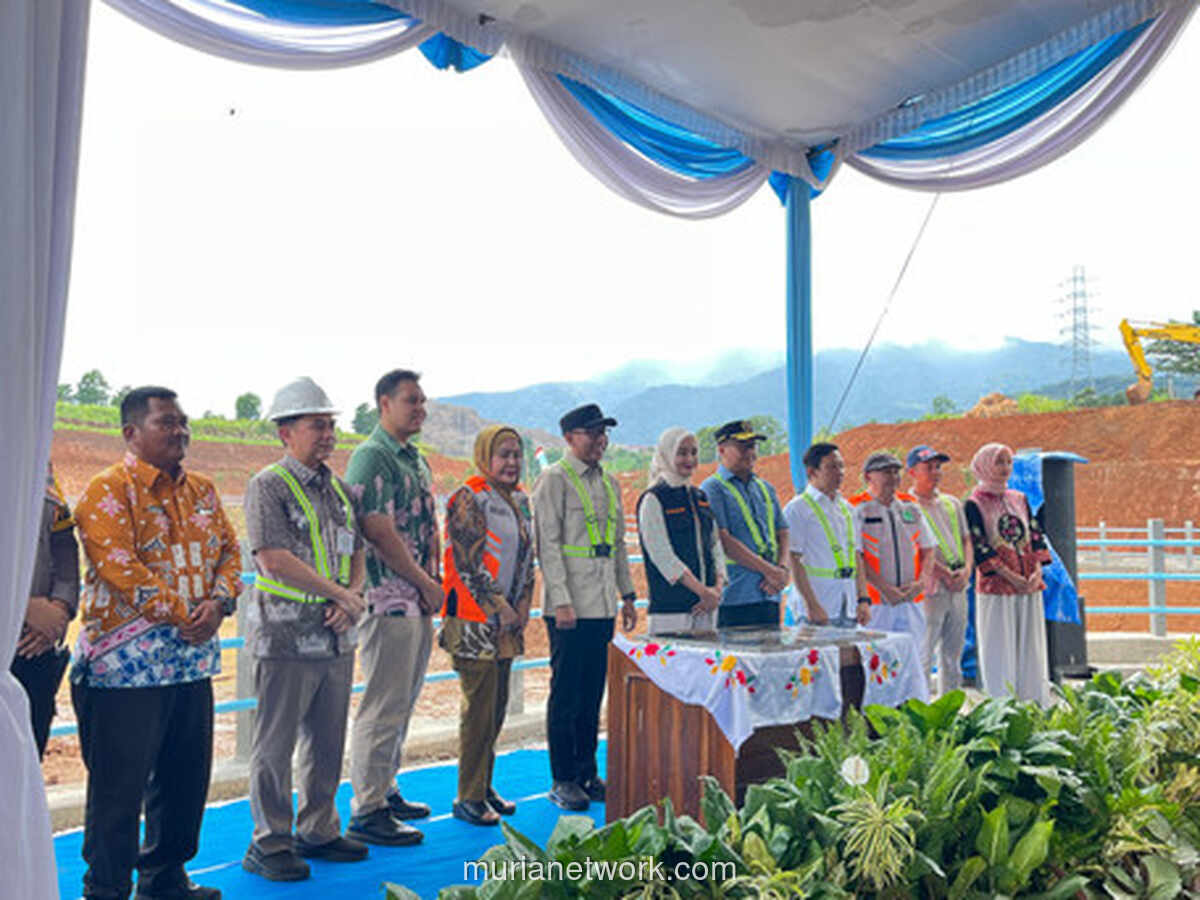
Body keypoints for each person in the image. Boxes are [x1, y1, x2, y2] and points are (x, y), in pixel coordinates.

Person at [71, 386, 241, 900]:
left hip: (191, 663)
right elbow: (120, 567)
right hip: (125, 672)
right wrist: (187, 613)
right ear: (131, 433)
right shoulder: (107, 491)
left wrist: (219, 602)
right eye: (166, 422)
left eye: (182, 421)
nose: (180, 430)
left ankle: (164, 879)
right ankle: (106, 889)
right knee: (118, 793)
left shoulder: (204, 491)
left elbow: (232, 554)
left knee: (185, 781)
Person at [242, 377, 370, 882]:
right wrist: (341, 595)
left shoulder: (337, 489)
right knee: (274, 745)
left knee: (326, 740)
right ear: (285, 432)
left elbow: (356, 550)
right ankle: (270, 841)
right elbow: (273, 561)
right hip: (286, 636)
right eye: (317, 424)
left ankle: (318, 827)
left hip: (336, 636)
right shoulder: (267, 486)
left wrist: (353, 595)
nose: (328, 433)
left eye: (331, 424)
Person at [344, 369, 439, 845]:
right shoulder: (371, 456)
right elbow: (378, 532)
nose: (419, 408)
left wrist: (427, 586)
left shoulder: (413, 459)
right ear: (384, 403)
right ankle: (367, 808)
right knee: (382, 705)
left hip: (417, 599)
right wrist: (424, 582)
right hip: (388, 600)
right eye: (410, 401)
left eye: (422, 401)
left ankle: (386, 787)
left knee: (403, 700)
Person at [533, 403, 637, 811]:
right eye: (592, 432)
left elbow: (615, 547)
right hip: (569, 606)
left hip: (601, 604)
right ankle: (562, 778)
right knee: (567, 694)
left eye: (603, 433)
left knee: (593, 692)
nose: (600, 440)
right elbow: (549, 546)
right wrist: (561, 600)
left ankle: (587, 772)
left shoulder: (608, 483)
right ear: (570, 437)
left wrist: (626, 594)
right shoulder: (553, 480)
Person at [440, 426, 536, 826]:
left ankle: (484, 784)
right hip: (475, 619)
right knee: (478, 710)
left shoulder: (520, 500)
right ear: (485, 457)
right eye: (503, 455)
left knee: (496, 709)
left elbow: (529, 559)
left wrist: (523, 605)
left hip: (508, 621)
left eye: (516, 454)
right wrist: (501, 606)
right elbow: (467, 562)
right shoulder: (468, 497)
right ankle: (468, 795)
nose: (512, 463)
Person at [965, 443, 1053, 706]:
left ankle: (1035, 703)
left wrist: (1035, 572)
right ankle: (1001, 707)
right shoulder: (974, 504)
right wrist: (1011, 577)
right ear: (983, 466)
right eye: (998, 462)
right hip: (997, 589)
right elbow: (980, 547)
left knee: (1031, 647)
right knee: (999, 648)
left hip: (1029, 586)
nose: (1005, 468)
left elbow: (1036, 536)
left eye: (1008, 462)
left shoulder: (1020, 499)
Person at [12, 463, 79, 759]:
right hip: (19, 624)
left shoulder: (40, 476)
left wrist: (58, 611)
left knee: (25, 761)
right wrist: (21, 605)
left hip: (32, 650)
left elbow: (65, 554)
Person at [699, 420, 790, 628]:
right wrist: (770, 571)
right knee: (735, 659)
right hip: (736, 595)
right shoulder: (712, 488)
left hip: (770, 593)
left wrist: (782, 569)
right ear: (722, 450)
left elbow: (782, 531)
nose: (750, 452)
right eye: (743, 447)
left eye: (752, 446)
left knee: (770, 658)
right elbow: (723, 540)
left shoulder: (765, 487)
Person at [637, 427, 724, 634]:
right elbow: (662, 555)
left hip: (708, 608)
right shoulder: (654, 499)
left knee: (708, 666)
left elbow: (715, 544)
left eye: (694, 452)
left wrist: (717, 589)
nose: (690, 459)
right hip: (672, 611)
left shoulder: (699, 497)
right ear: (666, 454)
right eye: (682, 452)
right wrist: (702, 591)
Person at [907, 445, 972, 694]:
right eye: (928, 468)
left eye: (938, 467)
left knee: (952, 655)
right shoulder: (908, 507)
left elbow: (966, 540)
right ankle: (923, 708)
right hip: (932, 589)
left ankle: (950, 708)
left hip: (958, 586)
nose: (935, 472)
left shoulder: (951, 503)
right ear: (913, 472)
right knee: (925, 652)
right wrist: (944, 573)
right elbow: (916, 549)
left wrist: (966, 570)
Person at [848, 452, 935, 640]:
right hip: (876, 601)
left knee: (914, 658)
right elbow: (856, 555)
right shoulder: (857, 508)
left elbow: (929, 548)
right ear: (868, 476)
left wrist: (921, 582)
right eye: (886, 472)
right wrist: (884, 588)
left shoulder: (910, 505)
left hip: (912, 599)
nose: (894, 477)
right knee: (878, 660)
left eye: (896, 472)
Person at [783, 442, 871, 628]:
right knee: (818, 657)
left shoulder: (847, 509)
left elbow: (856, 556)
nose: (839, 472)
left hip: (847, 603)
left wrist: (863, 599)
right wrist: (811, 604)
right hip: (818, 603)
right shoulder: (797, 509)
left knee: (848, 656)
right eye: (831, 467)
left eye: (841, 466)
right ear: (811, 472)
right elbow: (793, 559)